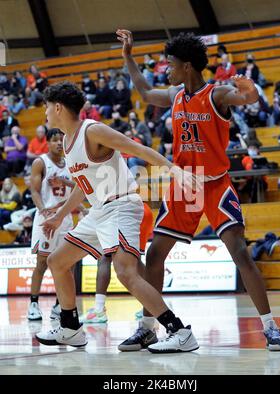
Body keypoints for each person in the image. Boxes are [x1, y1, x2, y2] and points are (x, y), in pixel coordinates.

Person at [116, 29, 280, 352]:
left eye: (171, 64)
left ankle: (271, 328)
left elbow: (246, 98)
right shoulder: (175, 96)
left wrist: (252, 94)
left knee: (240, 252)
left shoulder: (217, 94)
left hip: (216, 184)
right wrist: (127, 56)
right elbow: (143, 90)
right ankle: (148, 328)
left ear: (188, 66)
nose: (167, 69)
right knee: (154, 254)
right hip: (185, 185)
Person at [35, 81, 199, 353]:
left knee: (125, 272)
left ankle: (178, 331)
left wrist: (174, 169)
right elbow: (82, 186)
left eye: (46, 107)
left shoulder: (93, 130)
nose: (45, 113)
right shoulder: (66, 141)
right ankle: (70, 328)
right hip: (99, 210)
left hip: (121, 205)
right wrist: (59, 215)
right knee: (58, 261)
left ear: (58, 107)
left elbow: (138, 149)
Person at [28, 128, 75, 321]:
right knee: (41, 263)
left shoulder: (71, 164)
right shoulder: (41, 162)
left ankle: (59, 305)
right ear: (47, 142)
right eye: (55, 140)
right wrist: (43, 209)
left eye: (61, 140)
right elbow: (35, 191)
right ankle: (33, 304)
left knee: (68, 264)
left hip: (65, 218)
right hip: (46, 219)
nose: (58, 143)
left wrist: (65, 181)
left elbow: (79, 188)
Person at [79, 203, 153, 324]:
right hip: (142, 210)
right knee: (136, 258)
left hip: (121, 212)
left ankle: (98, 310)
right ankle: (151, 306)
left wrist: (91, 214)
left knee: (104, 257)